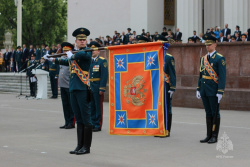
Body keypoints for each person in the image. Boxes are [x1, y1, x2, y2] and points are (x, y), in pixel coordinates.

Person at [44, 27, 93, 155]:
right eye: (79, 40)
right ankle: (79, 145)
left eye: (84, 40)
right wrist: (52, 59)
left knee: (86, 118)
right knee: (79, 119)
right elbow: (66, 61)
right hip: (73, 89)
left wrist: (72, 54)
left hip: (83, 88)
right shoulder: (74, 54)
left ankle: (86, 147)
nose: (82, 42)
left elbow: (78, 56)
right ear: (75, 41)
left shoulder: (87, 52)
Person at [196, 34, 226, 144]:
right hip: (204, 89)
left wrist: (220, 91)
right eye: (206, 45)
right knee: (208, 112)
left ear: (215, 44)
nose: (207, 47)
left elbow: (222, 76)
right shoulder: (204, 58)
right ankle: (208, 135)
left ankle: (214, 135)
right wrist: (198, 88)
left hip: (213, 89)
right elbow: (201, 75)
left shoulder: (219, 58)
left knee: (215, 113)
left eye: (209, 45)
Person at [155, 35, 176, 137]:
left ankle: (167, 130)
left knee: (166, 107)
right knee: (158, 108)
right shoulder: (154, 57)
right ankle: (160, 128)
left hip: (165, 85)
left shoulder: (168, 58)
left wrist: (172, 87)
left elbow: (172, 73)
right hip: (157, 86)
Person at [88, 41, 108, 132]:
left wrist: (102, 88)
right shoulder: (90, 61)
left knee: (98, 106)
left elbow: (104, 75)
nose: (93, 51)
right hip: (91, 86)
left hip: (97, 86)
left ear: (99, 51)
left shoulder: (102, 61)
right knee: (91, 106)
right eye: (92, 50)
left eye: (94, 50)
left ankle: (98, 124)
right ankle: (92, 123)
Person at [58, 42, 75, 129]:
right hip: (62, 85)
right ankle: (66, 121)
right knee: (65, 105)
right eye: (64, 51)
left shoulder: (72, 59)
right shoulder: (62, 58)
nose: (64, 53)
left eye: (66, 51)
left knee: (70, 105)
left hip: (69, 85)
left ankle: (71, 122)